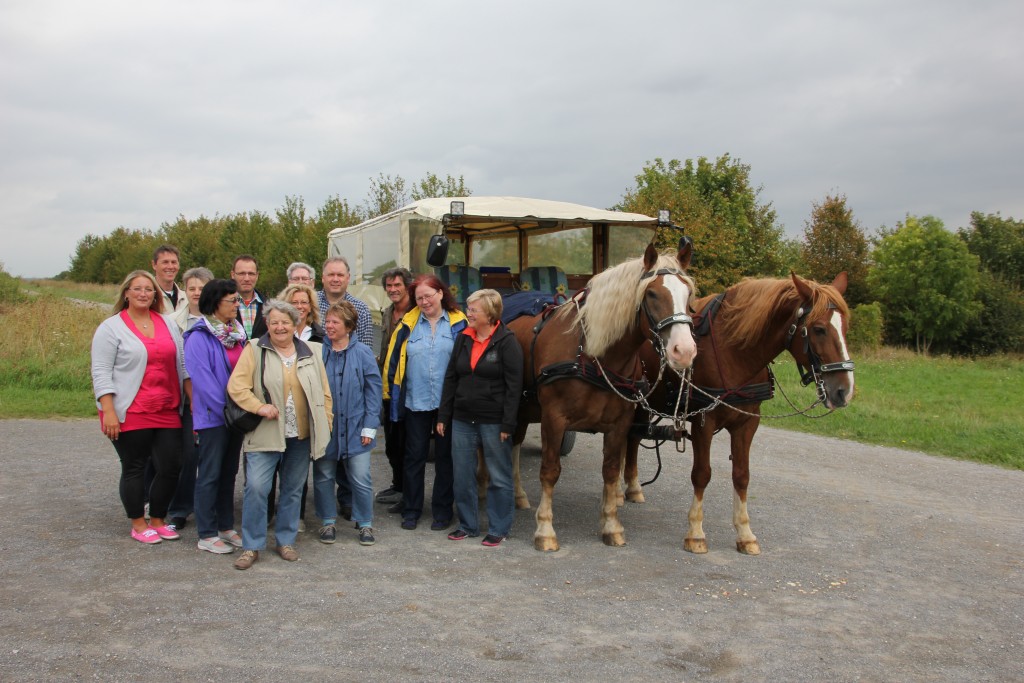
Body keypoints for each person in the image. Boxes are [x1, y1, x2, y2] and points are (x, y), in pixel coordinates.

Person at [227, 300, 332, 570]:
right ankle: (251, 546)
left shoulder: (311, 351)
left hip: (300, 435)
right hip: (264, 432)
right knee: (257, 488)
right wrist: (258, 407)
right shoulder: (254, 349)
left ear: (295, 323)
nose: (280, 327)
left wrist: (326, 423)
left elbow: (324, 392)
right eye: (274, 322)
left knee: (293, 490)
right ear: (267, 324)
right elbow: (237, 387)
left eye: (285, 322)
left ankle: (285, 541)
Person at [90, 270, 189, 544]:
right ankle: (138, 522)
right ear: (126, 293)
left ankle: (158, 519)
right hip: (130, 409)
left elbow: (182, 365)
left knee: (171, 465)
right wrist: (108, 410)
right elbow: (101, 371)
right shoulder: (111, 328)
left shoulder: (167, 324)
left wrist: (192, 400)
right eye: (138, 289)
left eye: (149, 289)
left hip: (167, 407)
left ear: (155, 295)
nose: (144, 294)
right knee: (134, 466)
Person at [437, 289, 524, 547]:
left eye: (473, 309)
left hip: (494, 420)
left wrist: (508, 423)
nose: (468, 313)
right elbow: (451, 377)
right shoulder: (463, 338)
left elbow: (514, 387)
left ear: (490, 313)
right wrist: (444, 415)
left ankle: (499, 528)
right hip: (462, 418)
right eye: (469, 308)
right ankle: (467, 525)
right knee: (462, 475)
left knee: (499, 476)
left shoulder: (507, 342)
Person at [382, 273, 466, 531]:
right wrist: (388, 397)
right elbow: (392, 362)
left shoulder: (459, 324)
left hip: (447, 404)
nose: (425, 301)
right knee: (414, 457)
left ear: (441, 293)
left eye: (429, 295)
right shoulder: (407, 324)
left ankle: (442, 511)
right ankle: (411, 509)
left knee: (445, 459)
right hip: (415, 401)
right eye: (419, 297)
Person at [183, 279, 248, 555]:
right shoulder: (199, 336)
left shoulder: (237, 333)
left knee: (229, 472)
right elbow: (203, 381)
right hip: (215, 417)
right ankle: (207, 532)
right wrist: (228, 409)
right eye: (231, 300)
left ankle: (225, 525)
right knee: (209, 473)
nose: (237, 304)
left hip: (236, 416)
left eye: (236, 300)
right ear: (215, 303)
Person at [317, 301, 383, 546]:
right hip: (326, 428)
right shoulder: (318, 352)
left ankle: (365, 523)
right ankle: (327, 522)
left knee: (360, 477)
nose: (329, 326)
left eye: (335, 322)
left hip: (357, 428)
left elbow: (373, 393)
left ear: (349, 326)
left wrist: (369, 426)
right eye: (327, 322)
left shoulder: (363, 353)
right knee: (324, 475)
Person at [166, 265, 215, 531]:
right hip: (185, 400)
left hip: (213, 397)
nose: (196, 293)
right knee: (187, 456)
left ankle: (211, 506)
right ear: (185, 290)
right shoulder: (173, 321)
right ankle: (180, 509)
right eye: (191, 288)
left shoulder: (219, 320)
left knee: (211, 456)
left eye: (201, 288)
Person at [376, 267, 414, 507]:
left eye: (397, 285)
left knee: (408, 442)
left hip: (409, 388)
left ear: (407, 286)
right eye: (389, 286)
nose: (393, 290)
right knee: (391, 441)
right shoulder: (388, 312)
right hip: (388, 387)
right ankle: (398, 485)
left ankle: (409, 493)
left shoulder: (417, 312)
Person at [316, 256, 373, 346]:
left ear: (348, 278)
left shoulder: (361, 309)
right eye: (331, 274)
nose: (335, 279)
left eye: (340, 275)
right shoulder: (309, 304)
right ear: (323, 278)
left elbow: (366, 350)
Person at [231, 254, 267, 340]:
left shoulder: (269, 306)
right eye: (242, 273)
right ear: (233, 275)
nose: (247, 278)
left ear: (257, 275)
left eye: (251, 274)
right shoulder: (223, 306)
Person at [152, 244, 187, 316]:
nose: (170, 267)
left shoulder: (187, 298)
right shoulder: (146, 296)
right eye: (165, 262)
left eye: (174, 262)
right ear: (154, 265)